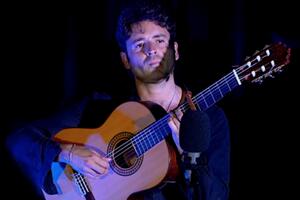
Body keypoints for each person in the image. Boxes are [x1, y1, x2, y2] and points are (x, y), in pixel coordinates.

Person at [6, 1, 230, 199]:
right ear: (125, 59)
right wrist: (69, 153)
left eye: (159, 40)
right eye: (139, 44)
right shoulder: (101, 108)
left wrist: (189, 154)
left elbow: (216, 196)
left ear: (176, 50)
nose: (151, 50)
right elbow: (19, 140)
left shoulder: (209, 117)